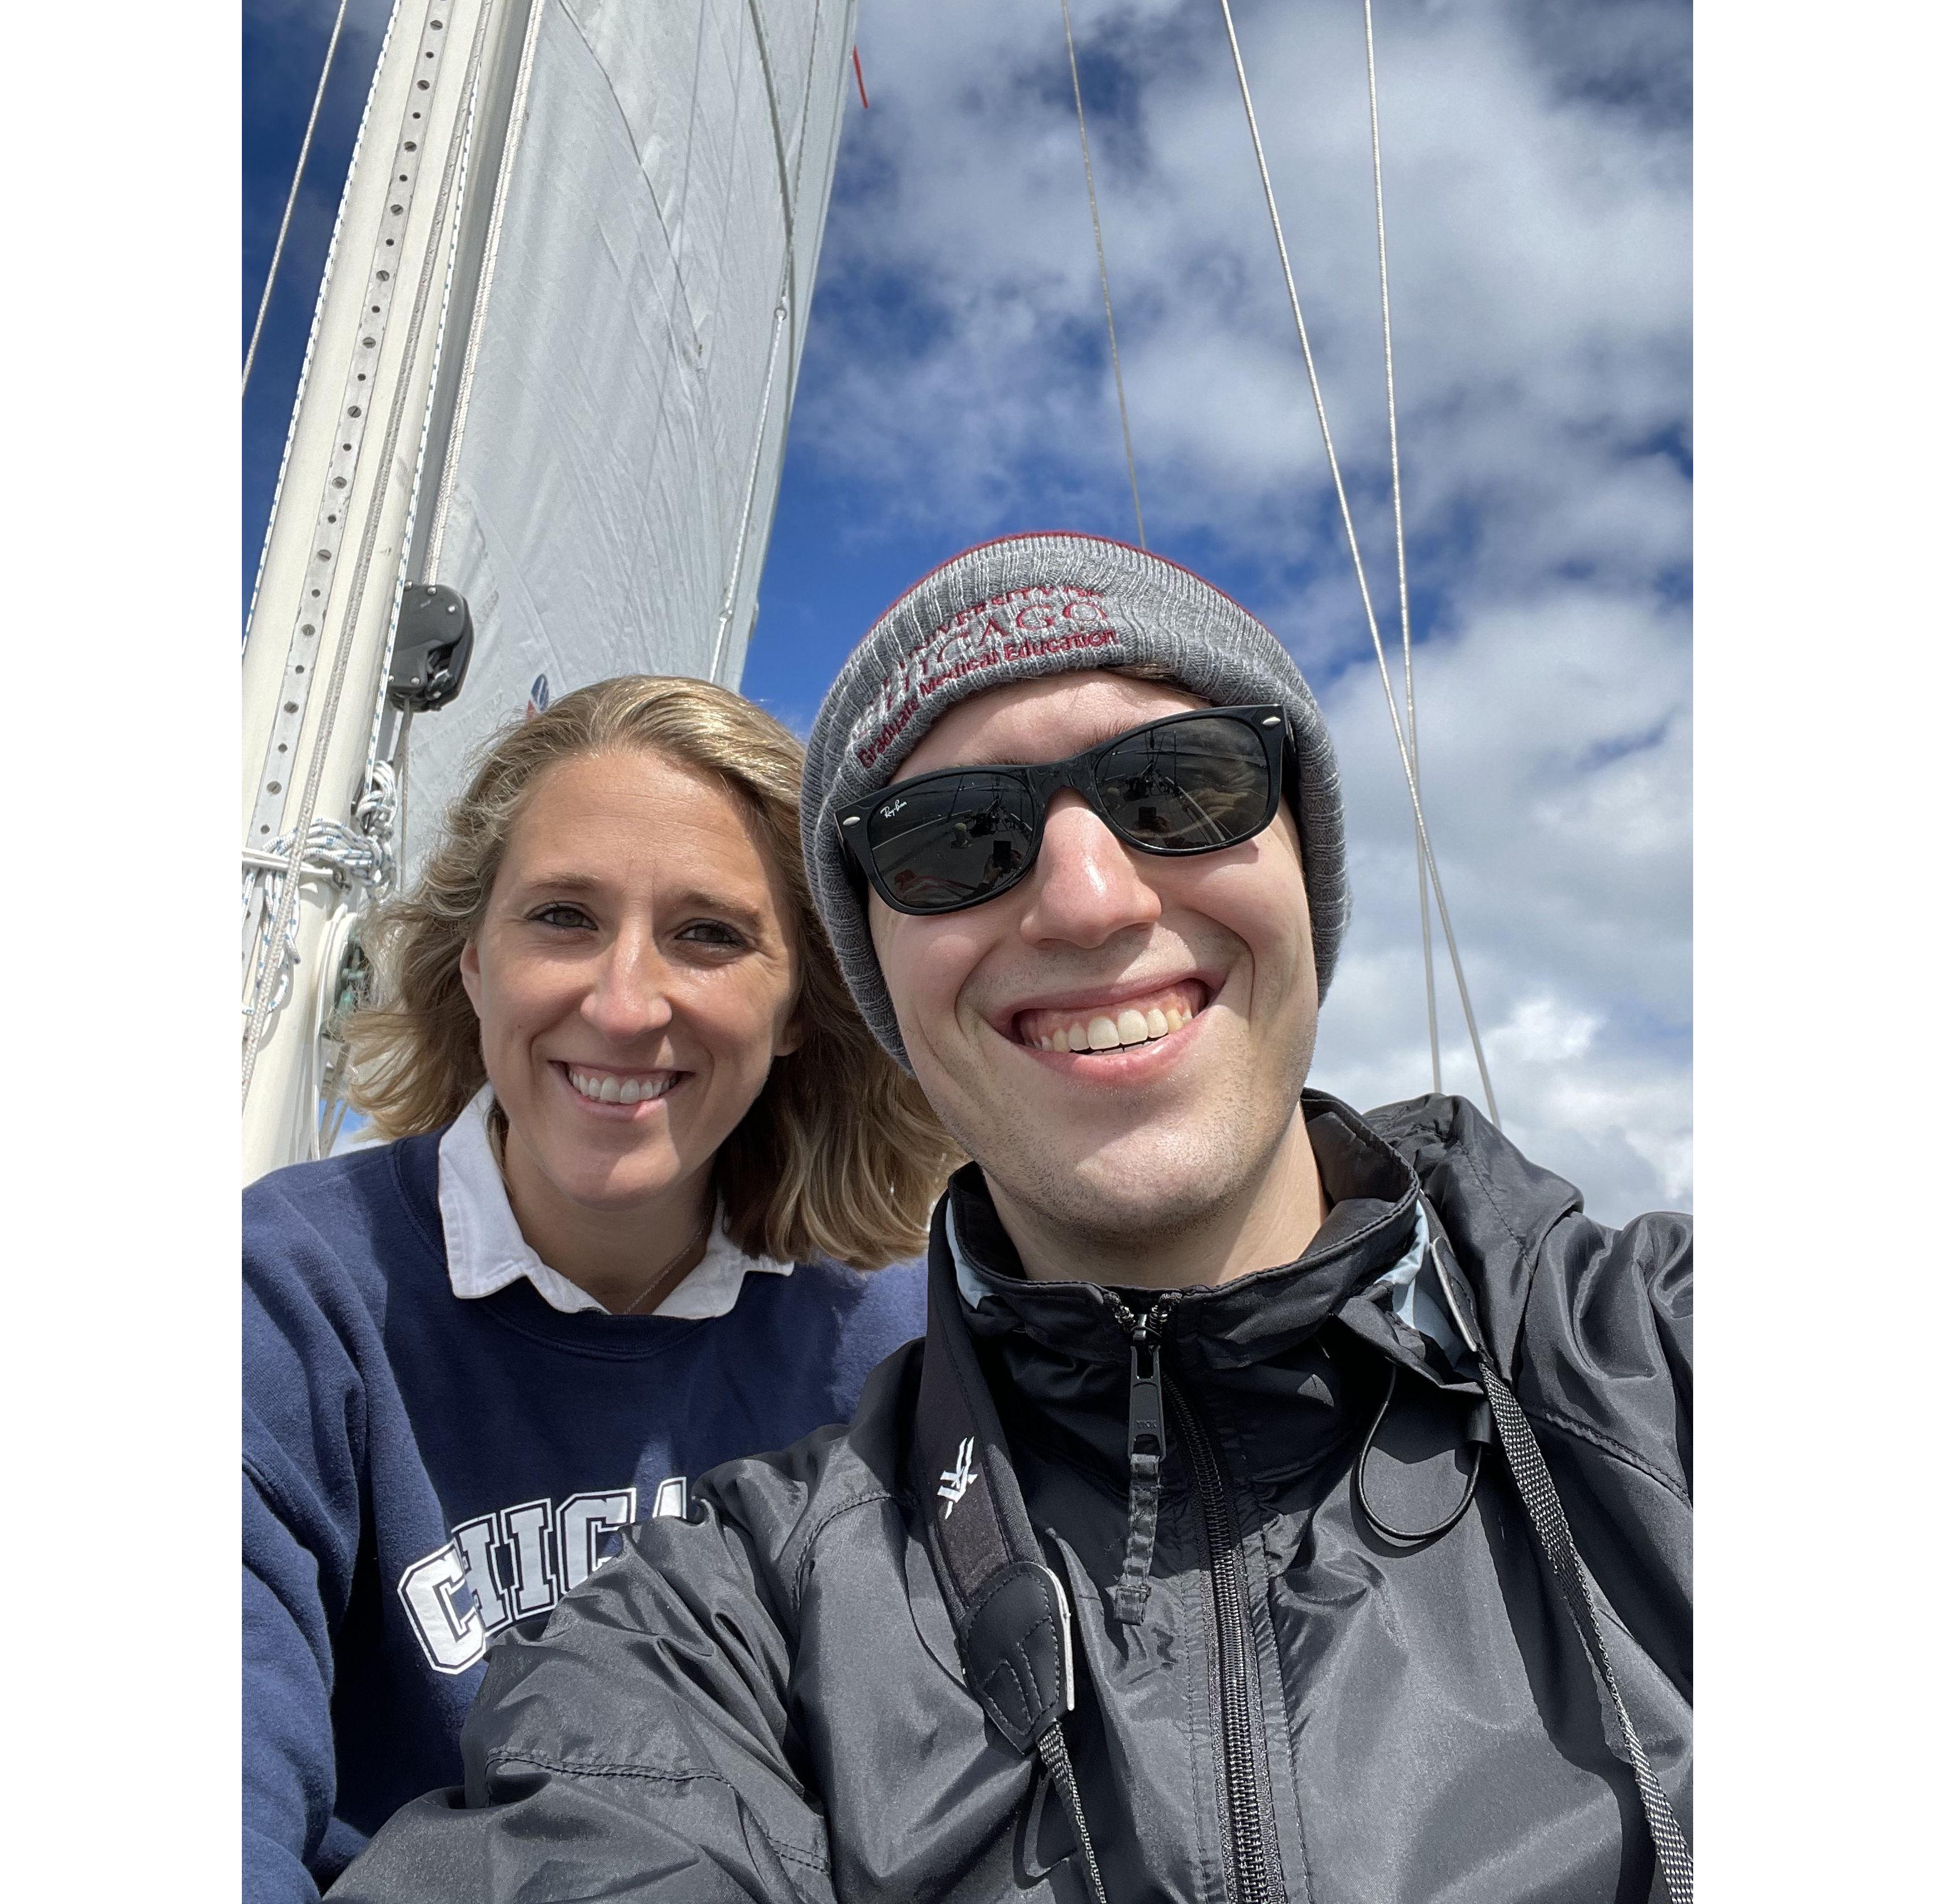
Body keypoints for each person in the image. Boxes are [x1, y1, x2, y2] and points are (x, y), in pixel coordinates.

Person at [330, 538, 1692, 1903]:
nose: (1088, 896)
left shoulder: (1664, 1366)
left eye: (1182, 784)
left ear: (1304, 860)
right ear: (879, 986)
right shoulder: (727, 1620)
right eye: (952, 842)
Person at [243, 675, 957, 1902]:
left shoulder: (898, 1341)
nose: (624, 1003)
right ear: (472, 963)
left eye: (709, 933)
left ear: (797, 1007)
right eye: (563, 916)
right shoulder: (289, 1295)